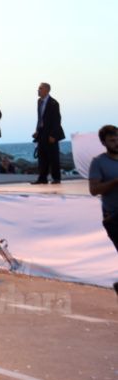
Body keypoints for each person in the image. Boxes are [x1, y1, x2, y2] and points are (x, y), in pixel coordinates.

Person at [88, 125, 118, 296]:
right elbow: (93, 190)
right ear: (103, 142)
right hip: (113, 216)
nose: (116, 143)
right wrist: (114, 182)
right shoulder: (98, 162)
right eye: (112, 140)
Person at [32, 82, 65, 185]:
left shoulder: (53, 103)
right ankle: (42, 178)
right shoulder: (39, 102)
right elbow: (40, 118)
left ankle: (56, 178)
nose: (38, 90)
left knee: (53, 156)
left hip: (51, 133)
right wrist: (37, 131)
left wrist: (53, 135)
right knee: (42, 156)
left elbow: (57, 120)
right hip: (42, 132)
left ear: (47, 90)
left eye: (40, 88)